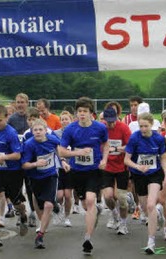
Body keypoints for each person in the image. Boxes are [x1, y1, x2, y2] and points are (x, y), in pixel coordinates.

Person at [58, 97, 109, 255]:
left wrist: (105, 159)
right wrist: (77, 152)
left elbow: (105, 143)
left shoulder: (100, 128)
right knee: (86, 205)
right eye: (79, 111)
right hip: (77, 171)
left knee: (91, 200)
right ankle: (95, 213)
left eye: (85, 111)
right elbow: (61, 151)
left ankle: (88, 238)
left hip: (94, 171)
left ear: (91, 113)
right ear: (76, 113)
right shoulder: (70, 129)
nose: (82, 114)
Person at [123, 112, 166, 254]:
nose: (143, 129)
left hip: (154, 174)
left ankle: (151, 242)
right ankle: (157, 213)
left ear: (152, 125)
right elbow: (127, 159)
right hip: (139, 175)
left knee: (151, 204)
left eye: (146, 126)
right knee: (145, 208)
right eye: (141, 126)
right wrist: (138, 167)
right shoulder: (134, 138)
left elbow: (163, 158)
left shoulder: (158, 138)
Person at [0, 105, 30, 247]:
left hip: (13, 173)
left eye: (0, 120)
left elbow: (17, 155)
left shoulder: (11, 133)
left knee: (17, 203)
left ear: (6, 118)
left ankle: (23, 215)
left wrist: (5, 157)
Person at [22, 119, 68, 249]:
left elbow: (59, 149)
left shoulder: (52, 139)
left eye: (40, 130)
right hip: (35, 178)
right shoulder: (29, 145)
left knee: (48, 205)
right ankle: (55, 206)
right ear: (32, 131)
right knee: (40, 203)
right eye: (35, 130)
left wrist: (63, 160)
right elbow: (24, 165)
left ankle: (40, 236)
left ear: (45, 131)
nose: (37, 132)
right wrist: (36, 164)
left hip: (50, 176)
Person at [101, 107, 132, 234]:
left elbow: (131, 146)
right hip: (107, 167)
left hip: (121, 167)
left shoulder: (123, 128)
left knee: (121, 198)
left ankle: (123, 224)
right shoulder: (102, 129)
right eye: (108, 122)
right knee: (108, 196)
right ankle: (114, 214)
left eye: (113, 121)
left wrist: (120, 148)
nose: (111, 124)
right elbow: (99, 145)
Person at [54, 111, 75, 227]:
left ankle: (67, 217)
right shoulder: (56, 134)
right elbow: (54, 149)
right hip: (58, 167)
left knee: (68, 195)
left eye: (66, 119)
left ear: (71, 120)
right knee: (59, 196)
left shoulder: (75, 133)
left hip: (70, 168)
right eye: (62, 119)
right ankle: (58, 210)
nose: (64, 121)